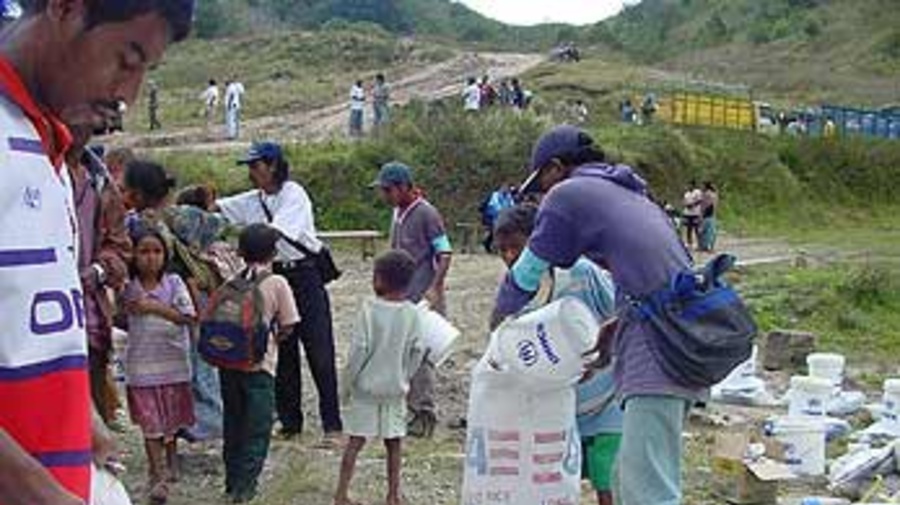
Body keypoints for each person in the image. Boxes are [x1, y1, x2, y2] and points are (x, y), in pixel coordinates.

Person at [0, 1, 192, 503]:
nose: (128, 94)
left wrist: (79, 415)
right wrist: (40, 493)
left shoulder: (47, 149)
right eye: (127, 60)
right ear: (65, 7)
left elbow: (28, 319)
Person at [492, 125, 699, 505]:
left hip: (660, 346)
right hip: (676, 336)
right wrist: (616, 328)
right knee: (628, 477)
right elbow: (656, 273)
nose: (541, 199)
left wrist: (498, 324)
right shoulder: (627, 191)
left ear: (556, 168)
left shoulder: (570, 194)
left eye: (540, 187)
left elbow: (525, 274)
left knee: (647, 489)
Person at [493, 204, 622, 505]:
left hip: (607, 399)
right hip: (561, 407)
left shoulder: (581, 272)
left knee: (608, 478)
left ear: (538, 244)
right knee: (560, 480)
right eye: (502, 250)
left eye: (516, 247)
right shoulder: (517, 292)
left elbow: (623, 313)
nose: (510, 256)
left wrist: (604, 347)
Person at [217, 142, 343, 443]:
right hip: (279, 275)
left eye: (255, 166)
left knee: (319, 348)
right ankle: (290, 421)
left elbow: (277, 231)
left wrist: (247, 248)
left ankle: (332, 424)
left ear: (272, 166)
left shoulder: (293, 193)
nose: (251, 173)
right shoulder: (254, 199)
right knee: (284, 348)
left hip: (304, 274)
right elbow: (222, 208)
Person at [333, 250, 426, 505]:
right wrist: (403, 377)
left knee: (355, 442)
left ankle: (341, 494)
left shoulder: (368, 309)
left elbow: (358, 351)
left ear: (379, 279)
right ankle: (393, 495)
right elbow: (417, 351)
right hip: (395, 389)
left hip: (366, 389)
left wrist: (347, 384)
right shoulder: (412, 313)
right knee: (394, 443)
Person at [218, 224, 299, 503]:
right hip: (260, 367)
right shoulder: (277, 283)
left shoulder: (231, 280)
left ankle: (231, 482)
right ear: (274, 252)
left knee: (233, 425)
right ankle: (246, 487)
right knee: (257, 429)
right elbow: (289, 323)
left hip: (228, 364)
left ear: (240, 251)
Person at [372, 162, 452, 438]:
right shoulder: (398, 212)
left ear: (405, 187)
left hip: (423, 295)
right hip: (402, 296)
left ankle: (424, 415)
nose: (385, 195)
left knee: (422, 358)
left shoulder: (427, 213)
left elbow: (444, 252)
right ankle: (409, 410)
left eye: (389, 189)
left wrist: (435, 286)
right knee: (403, 357)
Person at [122, 226, 197, 503]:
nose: (151, 258)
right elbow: (121, 314)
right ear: (133, 255)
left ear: (165, 255)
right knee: (151, 423)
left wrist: (152, 307)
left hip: (173, 363)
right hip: (141, 366)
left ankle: (170, 459)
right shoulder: (128, 286)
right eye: (144, 252)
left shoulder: (174, 282)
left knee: (171, 418)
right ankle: (157, 473)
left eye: (156, 251)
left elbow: (187, 316)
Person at [67, 126, 132, 426]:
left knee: (90, 394)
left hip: (87, 314)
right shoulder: (23, 167)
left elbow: (120, 249)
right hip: (26, 318)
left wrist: (97, 271)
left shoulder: (101, 183)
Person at [478, 183, 516, 253]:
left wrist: (510, 211)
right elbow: (495, 207)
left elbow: (512, 205)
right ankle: (489, 244)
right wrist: (504, 212)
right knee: (495, 229)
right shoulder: (495, 196)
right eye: (505, 188)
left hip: (504, 217)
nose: (506, 190)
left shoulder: (508, 196)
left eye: (507, 189)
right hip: (490, 217)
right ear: (501, 188)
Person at [699, 181, 719, 253]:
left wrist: (701, 214)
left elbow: (706, 205)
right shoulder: (712, 194)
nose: (701, 187)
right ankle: (706, 247)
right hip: (709, 215)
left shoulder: (708, 194)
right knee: (708, 232)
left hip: (708, 215)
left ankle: (707, 247)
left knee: (707, 232)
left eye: (702, 186)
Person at [682, 180, 703, 250]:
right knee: (689, 228)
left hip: (695, 213)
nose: (689, 186)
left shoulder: (697, 192)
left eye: (690, 185)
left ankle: (699, 243)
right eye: (688, 185)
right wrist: (686, 205)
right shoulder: (686, 194)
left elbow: (700, 200)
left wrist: (693, 204)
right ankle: (689, 243)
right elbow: (684, 201)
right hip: (687, 213)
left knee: (696, 228)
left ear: (693, 185)